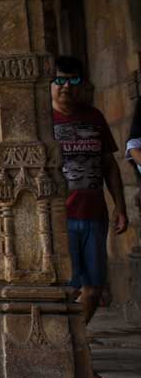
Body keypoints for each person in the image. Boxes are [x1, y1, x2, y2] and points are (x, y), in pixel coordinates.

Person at [51, 57, 129, 344]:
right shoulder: (45, 121)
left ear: (81, 84)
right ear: (50, 84)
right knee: (67, 289)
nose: (65, 87)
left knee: (93, 289)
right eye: (59, 80)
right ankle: (70, 349)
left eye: (72, 81)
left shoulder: (94, 118)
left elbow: (109, 164)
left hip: (95, 215)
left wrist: (119, 205)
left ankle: (74, 343)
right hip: (61, 219)